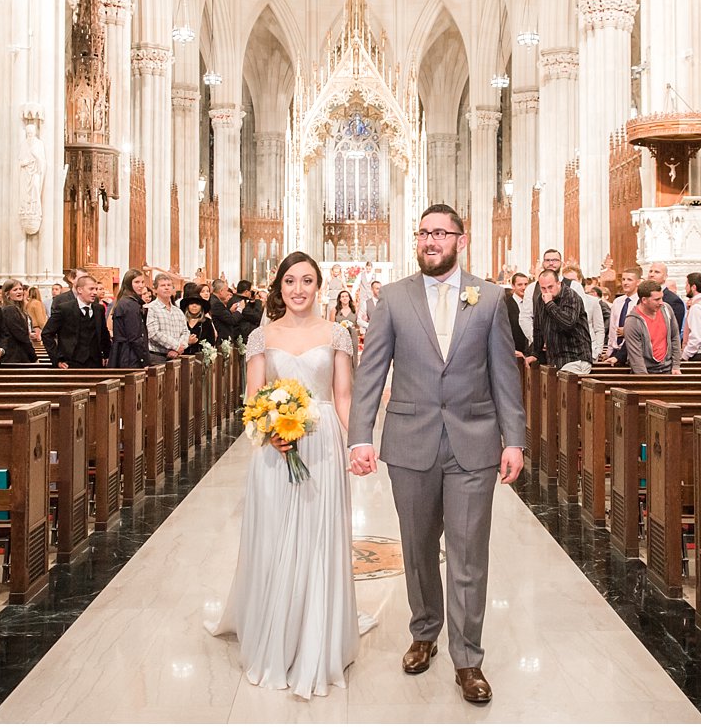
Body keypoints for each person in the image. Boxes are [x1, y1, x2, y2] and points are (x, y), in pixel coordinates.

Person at [349, 204, 524, 705]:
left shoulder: (489, 298)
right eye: (423, 233)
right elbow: (371, 371)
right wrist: (361, 435)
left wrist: (514, 439)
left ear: (460, 241)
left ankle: (468, 659)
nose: (430, 240)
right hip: (411, 442)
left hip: (473, 442)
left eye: (440, 233)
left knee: (469, 555)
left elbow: (503, 376)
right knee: (419, 547)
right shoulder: (394, 298)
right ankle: (424, 631)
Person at [206, 252, 364, 698]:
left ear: (319, 287)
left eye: (307, 281)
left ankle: (319, 634)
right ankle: (275, 629)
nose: (298, 289)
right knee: (275, 538)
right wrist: (268, 429)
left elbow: (344, 396)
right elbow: (252, 397)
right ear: (279, 287)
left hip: (323, 445)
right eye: (290, 281)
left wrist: (360, 443)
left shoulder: (336, 334)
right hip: (275, 449)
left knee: (318, 540)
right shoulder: (261, 336)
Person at [530, 269, 596, 375]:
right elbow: (538, 328)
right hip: (556, 359)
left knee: (563, 387)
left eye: (550, 287)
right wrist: (535, 353)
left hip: (575, 357)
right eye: (543, 288)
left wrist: (550, 304)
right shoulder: (540, 299)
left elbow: (568, 322)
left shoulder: (571, 296)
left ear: (558, 283)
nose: (547, 291)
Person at [610, 279, 682, 374]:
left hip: (668, 368)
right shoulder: (633, 321)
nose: (661, 302)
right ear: (644, 300)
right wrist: (645, 380)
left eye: (661, 298)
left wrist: (676, 365)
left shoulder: (666, 309)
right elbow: (636, 357)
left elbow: (674, 337)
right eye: (656, 299)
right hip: (647, 370)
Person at [43, 274, 109, 369]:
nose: (95, 292)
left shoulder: (99, 309)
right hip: (71, 363)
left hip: (95, 363)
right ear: (79, 290)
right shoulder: (64, 309)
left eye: (96, 289)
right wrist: (57, 359)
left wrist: (107, 354)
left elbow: (103, 333)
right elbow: (47, 334)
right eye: (91, 289)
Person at [108, 269, 150, 370]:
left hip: (125, 353)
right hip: (130, 356)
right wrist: (144, 360)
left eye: (142, 282)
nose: (140, 285)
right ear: (128, 283)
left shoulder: (125, 301)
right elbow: (135, 336)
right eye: (136, 282)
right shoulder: (130, 304)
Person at [146, 274, 192, 363]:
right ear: (155, 290)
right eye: (163, 285)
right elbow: (153, 333)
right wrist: (175, 346)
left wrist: (180, 347)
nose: (166, 288)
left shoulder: (178, 311)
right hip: (157, 357)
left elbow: (185, 331)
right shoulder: (150, 308)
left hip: (177, 356)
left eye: (169, 285)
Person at [0, 279, 39, 364]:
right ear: (7, 294)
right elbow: (21, 336)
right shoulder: (10, 309)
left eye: (20, 289)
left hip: (20, 354)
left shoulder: (19, 309)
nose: (19, 292)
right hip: (15, 356)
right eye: (15, 290)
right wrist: (34, 357)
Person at [606, 269, 641, 357]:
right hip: (615, 349)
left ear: (638, 282)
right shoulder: (617, 301)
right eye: (623, 279)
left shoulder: (641, 302)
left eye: (629, 280)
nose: (625, 283)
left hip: (632, 350)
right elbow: (612, 327)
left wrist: (628, 331)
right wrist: (609, 351)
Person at [644, 261, 687, 332]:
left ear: (665, 277)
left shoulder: (673, 300)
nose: (652, 274)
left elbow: (674, 332)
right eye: (650, 271)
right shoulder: (643, 297)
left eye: (657, 272)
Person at [210, 278, 246, 343]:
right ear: (221, 291)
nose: (227, 293)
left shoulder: (214, 300)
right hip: (221, 339)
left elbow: (222, 316)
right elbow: (232, 320)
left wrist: (230, 311)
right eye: (226, 291)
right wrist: (240, 309)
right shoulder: (216, 304)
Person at [504, 272, 530, 357]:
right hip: (514, 353)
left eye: (526, 284)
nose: (524, 287)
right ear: (513, 286)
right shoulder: (505, 305)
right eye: (520, 285)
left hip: (531, 353)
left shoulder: (532, 303)